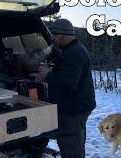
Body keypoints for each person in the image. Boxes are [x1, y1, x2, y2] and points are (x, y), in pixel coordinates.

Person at [36, 19, 96, 158]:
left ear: (61, 35)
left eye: (54, 37)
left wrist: (48, 75)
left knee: (71, 147)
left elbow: (68, 85)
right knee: (77, 142)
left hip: (72, 112)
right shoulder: (72, 49)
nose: (53, 40)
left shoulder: (74, 54)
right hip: (77, 108)